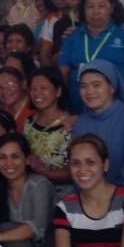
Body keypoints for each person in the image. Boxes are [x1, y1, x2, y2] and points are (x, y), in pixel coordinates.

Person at [60, 0, 124, 112]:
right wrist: (63, 109)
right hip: (78, 112)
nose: (96, 11)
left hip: (117, 112)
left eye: (101, 6)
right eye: (90, 6)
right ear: (83, 9)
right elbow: (62, 75)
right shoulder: (73, 37)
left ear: (111, 8)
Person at [73, 60, 124, 186]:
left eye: (96, 85)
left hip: (123, 194)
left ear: (112, 87)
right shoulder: (80, 122)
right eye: (84, 86)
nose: (89, 92)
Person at [23, 67, 73, 198]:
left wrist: (43, 172)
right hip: (31, 190)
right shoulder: (28, 123)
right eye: (33, 88)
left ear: (58, 91)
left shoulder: (70, 126)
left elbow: (73, 172)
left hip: (61, 194)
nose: (37, 93)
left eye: (43, 88)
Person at [0, 66, 33, 132]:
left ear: (23, 84)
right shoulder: (3, 110)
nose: (4, 91)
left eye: (9, 85)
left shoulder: (35, 110)